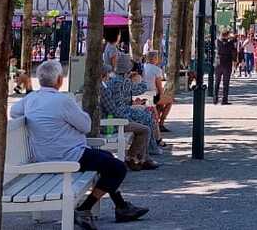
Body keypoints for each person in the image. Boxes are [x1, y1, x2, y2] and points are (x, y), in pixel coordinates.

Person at [12, 60, 149, 228]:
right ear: (59, 80)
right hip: (68, 157)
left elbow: (14, 112)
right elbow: (86, 126)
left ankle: (121, 206)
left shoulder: (31, 99)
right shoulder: (63, 101)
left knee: (106, 158)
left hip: (44, 156)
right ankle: (84, 209)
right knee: (118, 168)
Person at [102, 54, 165, 159]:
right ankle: (147, 151)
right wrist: (141, 76)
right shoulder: (121, 82)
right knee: (147, 117)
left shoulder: (119, 80)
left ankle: (146, 152)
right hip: (118, 116)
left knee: (147, 114)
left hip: (120, 113)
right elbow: (141, 89)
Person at [142, 51, 171, 130]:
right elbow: (159, 85)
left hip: (142, 94)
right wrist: (162, 94)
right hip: (151, 95)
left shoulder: (143, 67)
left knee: (160, 103)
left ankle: (157, 122)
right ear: (154, 58)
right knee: (170, 101)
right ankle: (161, 123)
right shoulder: (157, 69)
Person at [214, 30, 237, 105]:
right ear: (227, 35)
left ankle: (215, 99)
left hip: (218, 63)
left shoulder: (217, 41)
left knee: (217, 81)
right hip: (227, 63)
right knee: (226, 83)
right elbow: (234, 43)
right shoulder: (230, 43)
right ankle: (224, 100)